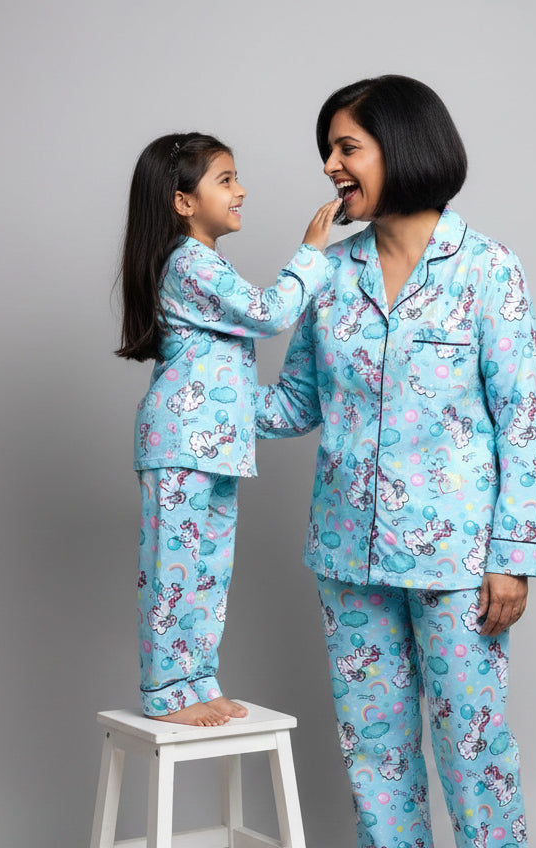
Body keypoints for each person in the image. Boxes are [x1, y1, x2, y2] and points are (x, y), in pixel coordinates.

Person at [255, 78, 536, 848]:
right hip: (348, 551)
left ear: (404, 147)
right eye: (330, 152)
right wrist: (198, 378)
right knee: (372, 741)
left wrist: (513, 555)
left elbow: (520, 421)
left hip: (460, 558)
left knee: (474, 743)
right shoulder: (329, 273)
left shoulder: (486, 268)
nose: (332, 167)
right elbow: (296, 403)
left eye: (349, 148)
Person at [117, 132, 339, 726]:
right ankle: (166, 692)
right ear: (182, 201)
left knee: (207, 575)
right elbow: (268, 314)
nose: (240, 191)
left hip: (213, 446)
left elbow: (231, 378)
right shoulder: (187, 262)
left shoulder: (205, 262)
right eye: (225, 180)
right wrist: (312, 251)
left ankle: (195, 683)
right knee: (174, 571)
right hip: (179, 444)